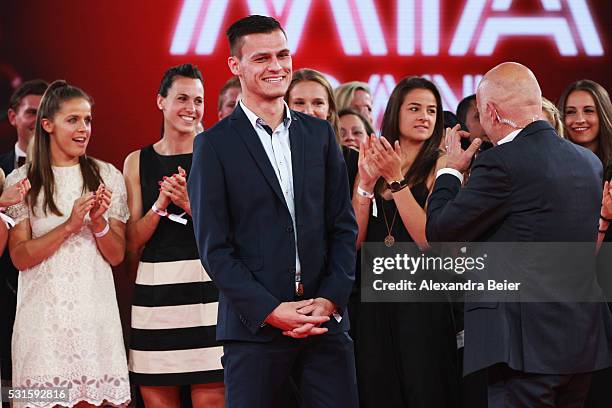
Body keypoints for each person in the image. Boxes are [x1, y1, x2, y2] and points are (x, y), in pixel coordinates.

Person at [188, 15, 359, 408]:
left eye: (283, 55)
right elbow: (215, 249)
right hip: (254, 332)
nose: (277, 67)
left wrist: (330, 301)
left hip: (324, 326)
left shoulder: (318, 135)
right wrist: (271, 310)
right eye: (262, 58)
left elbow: (342, 228)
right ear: (236, 66)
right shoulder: (213, 146)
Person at [426, 62, 612, 407]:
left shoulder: (503, 162)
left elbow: (440, 231)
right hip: (581, 341)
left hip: (523, 348)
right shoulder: (588, 164)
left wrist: (449, 169)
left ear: (492, 112)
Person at [5, 80, 131, 407]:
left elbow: (117, 256)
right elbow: (19, 256)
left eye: (87, 120)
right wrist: (70, 226)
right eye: (73, 120)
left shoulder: (108, 176)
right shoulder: (21, 181)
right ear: (47, 125)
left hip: (95, 324)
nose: (83, 128)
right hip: (42, 328)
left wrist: (99, 221)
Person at [350, 76, 459, 407]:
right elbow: (352, 241)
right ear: (395, 112)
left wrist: (396, 180)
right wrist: (366, 183)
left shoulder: (440, 163)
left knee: (423, 388)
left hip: (421, 299)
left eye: (431, 110)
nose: (424, 116)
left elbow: (429, 238)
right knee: (376, 388)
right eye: (414, 108)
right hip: (373, 298)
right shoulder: (374, 155)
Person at [123, 64, 224, 408]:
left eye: (198, 100)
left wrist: (190, 204)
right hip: (155, 302)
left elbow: (237, 231)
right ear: (160, 102)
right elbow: (131, 241)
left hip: (210, 298)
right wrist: (161, 205)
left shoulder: (219, 154)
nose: (191, 108)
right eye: (182, 98)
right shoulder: (137, 161)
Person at [558, 79, 612, 408]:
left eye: (589, 110)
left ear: (603, 115)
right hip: (570, 300)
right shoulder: (554, 169)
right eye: (571, 111)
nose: (580, 119)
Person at [0, 79, 47, 398]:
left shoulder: (80, 172)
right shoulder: (0, 170)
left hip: (53, 305)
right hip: (5, 305)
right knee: (10, 393)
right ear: (12, 116)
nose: (39, 120)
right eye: (31, 112)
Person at [285, 68, 339, 139]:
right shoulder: (270, 149)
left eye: (318, 103)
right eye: (299, 103)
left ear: (330, 109)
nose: (309, 112)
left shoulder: (347, 150)